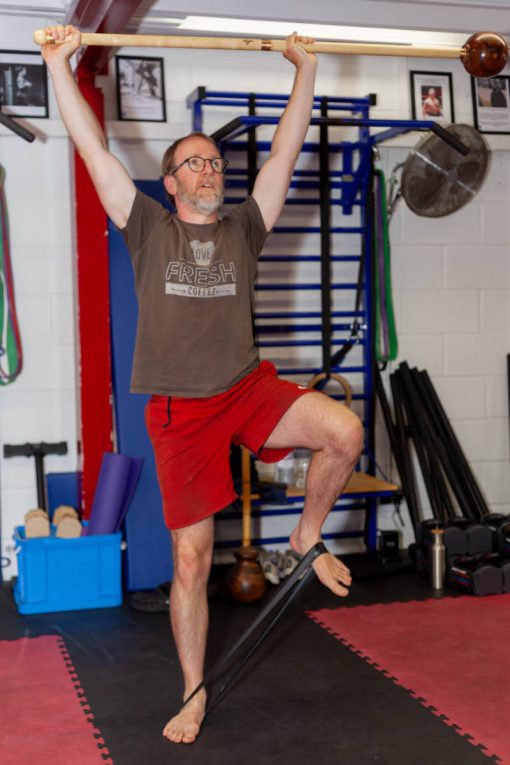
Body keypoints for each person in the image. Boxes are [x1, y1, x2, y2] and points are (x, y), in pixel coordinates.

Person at [41, 24, 363, 745]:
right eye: (195, 163)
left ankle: (307, 533)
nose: (210, 170)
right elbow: (92, 149)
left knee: (344, 430)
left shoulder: (247, 228)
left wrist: (304, 69)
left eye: (215, 162)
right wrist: (58, 64)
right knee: (190, 558)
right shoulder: (147, 226)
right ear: (172, 181)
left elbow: (284, 152)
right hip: (181, 412)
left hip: (246, 387)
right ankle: (193, 690)